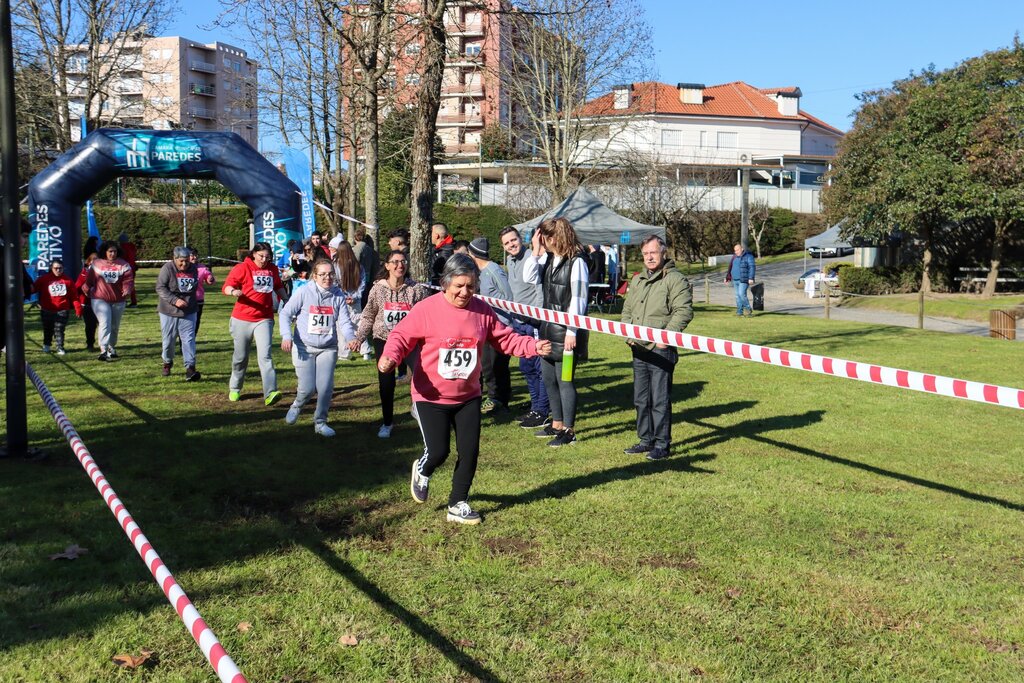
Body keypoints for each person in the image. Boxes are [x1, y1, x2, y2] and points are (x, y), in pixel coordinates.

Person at [380, 254, 551, 525]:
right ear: (445, 283)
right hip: (431, 395)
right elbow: (401, 335)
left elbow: (504, 339)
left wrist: (531, 346)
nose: (464, 292)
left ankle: (457, 503)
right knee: (438, 451)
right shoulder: (427, 309)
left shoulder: (482, 311)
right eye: (459, 286)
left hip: (468, 395)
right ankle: (423, 469)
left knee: (469, 451)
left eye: (471, 286)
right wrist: (390, 356)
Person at [620, 235, 694, 461]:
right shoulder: (638, 279)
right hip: (638, 349)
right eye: (645, 254)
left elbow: (684, 311)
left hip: (661, 349)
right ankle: (645, 440)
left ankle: (662, 444)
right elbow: (627, 310)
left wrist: (666, 336)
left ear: (663, 253)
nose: (649, 257)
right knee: (641, 399)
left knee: (659, 399)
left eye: (653, 252)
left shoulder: (675, 279)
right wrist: (627, 332)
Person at [523, 217, 590, 447]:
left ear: (555, 237)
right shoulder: (550, 259)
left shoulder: (577, 261)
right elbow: (529, 277)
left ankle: (569, 430)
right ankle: (557, 423)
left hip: (566, 332)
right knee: (549, 379)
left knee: (565, 381)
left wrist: (572, 330)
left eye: (546, 239)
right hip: (547, 329)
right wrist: (535, 250)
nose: (545, 242)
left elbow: (579, 298)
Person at [349, 249, 430, 438]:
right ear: (387, 266)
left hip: (409, 340)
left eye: (403, 262)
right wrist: (360, 338)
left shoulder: (416, 289)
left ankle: (420, 410)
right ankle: (387, 422)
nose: (399, 265)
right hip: (384, 339)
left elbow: (427, 314)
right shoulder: (378, 289)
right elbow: (368, 315)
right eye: (395, 262)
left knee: (421, 375)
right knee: (386, 382)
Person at [279, 260, 357, 437]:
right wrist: (286, 335)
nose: (327, 278)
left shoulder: (338, 295)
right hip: (304, 346)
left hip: (328, 348)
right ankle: (297, 405)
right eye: (322, 274)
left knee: (325, 388)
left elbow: (344, 321)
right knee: (307, 389)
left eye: (330, 274)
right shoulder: (304, 292)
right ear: (314, 276)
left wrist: (351, 337)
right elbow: (285, 313)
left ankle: (320, 422)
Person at [222, 242, 288, 405]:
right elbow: (226, 286)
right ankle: (235, 388)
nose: (264, 260)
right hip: (242, 319)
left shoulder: (272, 269)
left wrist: (287, 299)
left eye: (267, 257)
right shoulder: (242, 268)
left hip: (264, 319)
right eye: (261, 256)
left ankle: (270, 392)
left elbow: (278, 286)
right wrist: (233, 291)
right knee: (240, 357)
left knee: (265, 356)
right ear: (253, 254)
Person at [499, 226, 550, 429]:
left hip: (533, 322)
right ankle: (535, 406)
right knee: (526, 368)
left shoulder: (532, 257)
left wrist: (538, 316)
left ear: (521, 239)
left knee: (539, 368)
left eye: (514, 240)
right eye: (507, 243)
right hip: (518, 322)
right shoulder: (510, 261)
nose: (511, 245)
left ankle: (543, 410)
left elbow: (538, 288)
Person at [468, 237, 513, 414]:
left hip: (501, 326)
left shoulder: (494, 270)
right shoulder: (478, 272)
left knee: (498, 366)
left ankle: (501, 401)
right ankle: (494, 398)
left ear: (473, 254)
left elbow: (509, 298)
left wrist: (505, 323)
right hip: (485, 326)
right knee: (487, 366)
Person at [156, 246, 202, 381]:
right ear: (174, 259)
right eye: (181, 261)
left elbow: (191, 287)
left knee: (188, 339)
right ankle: (167, 362)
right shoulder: (167, 269)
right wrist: (175, 300)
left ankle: (190, 368)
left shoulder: (193, 269)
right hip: (168, 311)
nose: (184, 264)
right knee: (169, 340)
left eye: (187, 261)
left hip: (189, 310)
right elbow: (160, 287)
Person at [84, 241, 134, 361]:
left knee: (114, 326)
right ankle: (103, 350)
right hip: (99, 298)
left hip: (118, 299)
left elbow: (129, 280)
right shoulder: (97, 264)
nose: (112, 254)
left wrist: (127, 289)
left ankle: (112, 347)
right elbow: (89, 280)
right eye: (110, 251)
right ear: (105, 252)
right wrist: (86, 288)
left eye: (115, 251)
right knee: (104, 322)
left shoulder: (124, 265)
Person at [333, 241, 372, 360]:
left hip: (341, 299)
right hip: (356, 300)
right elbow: (362, 283)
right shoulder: (358, 266)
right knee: (358, 325)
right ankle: (366, 351)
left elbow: (335, 283)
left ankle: (345, 352)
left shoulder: (335, 265)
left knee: (342, 325)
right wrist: (355, 297)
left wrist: (345, 297)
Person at [32, 259, 76, 355]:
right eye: (56, 268)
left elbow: (74, 296)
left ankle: (60, 347)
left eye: (60, 268)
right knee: (47, 328)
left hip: (62, 309)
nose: (58, 270)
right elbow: (33, 289)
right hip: (47, 309)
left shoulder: (68, 281)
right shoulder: (43, 279)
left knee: (59, 329)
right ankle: (46, 345)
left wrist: (78, 308)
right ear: (51, 268)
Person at [75, 253, 99, 352]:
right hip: (87, 304)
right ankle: (90, 343)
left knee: (102, 324)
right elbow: (76, 288)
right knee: (90, 325)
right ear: (89, 262)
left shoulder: (102, 272)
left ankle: (105, 344)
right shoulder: (83, 274)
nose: (95, 262)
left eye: (97, 260)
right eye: (93, 260)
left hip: (100, 302)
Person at [189, 248, 216, 336]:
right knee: (185, 324)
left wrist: (210, 279)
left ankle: (192, 339)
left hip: (198, 300)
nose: (194, 257)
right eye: (192, 255)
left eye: (196, 255)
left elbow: (209, 278)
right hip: (185, 300)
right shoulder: (182, 267)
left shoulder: (202, 268)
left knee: (196, 322)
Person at [725, 243, 756, 317]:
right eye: (735, 250)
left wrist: (751, 278)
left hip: (744, 279)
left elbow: (752, 267)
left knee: (741, 294)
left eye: (738, 250)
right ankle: (739, 312)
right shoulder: (734, 257)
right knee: (737, 296)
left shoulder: (748, 256)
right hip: (735, 280)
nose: (736, 251)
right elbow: (730, 268)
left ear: (742, 249)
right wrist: (727, 278)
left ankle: (748, 309)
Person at [353, 228, 379, 309]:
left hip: (359, 276)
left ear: (355, 238)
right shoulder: (370, 249)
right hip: (368, 275)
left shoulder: (357, 248)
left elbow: (355, 262)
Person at [118, 232, 139, 307]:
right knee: (131, 285)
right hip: (132, 268)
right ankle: (133, 301)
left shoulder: (121, 248)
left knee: (121, 285)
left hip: (124, 269)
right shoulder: (132, 247)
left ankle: (124, 300)